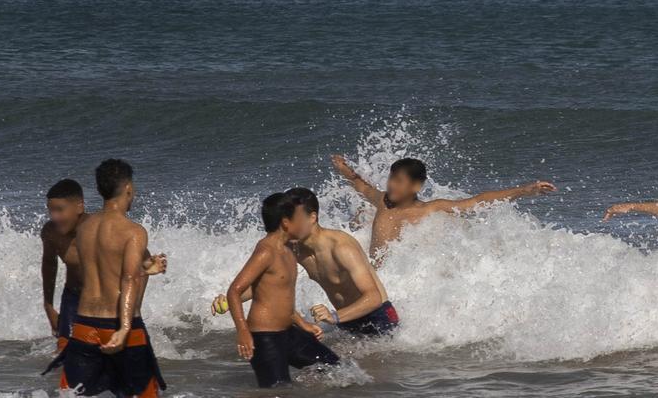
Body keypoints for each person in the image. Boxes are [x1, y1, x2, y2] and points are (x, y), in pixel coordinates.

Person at [43, 159, 167, 397]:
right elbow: (128, 279)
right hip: (117, 324)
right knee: (144, 394)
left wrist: (145, 270)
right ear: (128, 188)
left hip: (84, 325)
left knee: (73, 393)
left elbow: (104, 267)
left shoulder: (85, 228)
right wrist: (125, 327)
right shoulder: (133, 231)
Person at [213, 188, 399, 337]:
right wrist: (232, 299)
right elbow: (264, 285)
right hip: (345, 321)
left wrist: (334, 316)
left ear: (312, 218)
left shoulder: (341, 247)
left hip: (379, 316)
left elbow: (373, 298)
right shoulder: (293, 248)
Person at [331, 155, 557, 260]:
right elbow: (360, 184)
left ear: (416, 185)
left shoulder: (429, 210)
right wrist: (344, 169)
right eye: (391, 178)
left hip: (394, 282)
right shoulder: (383, 201)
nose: (391, 185)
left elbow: (476, 202)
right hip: (371, 273)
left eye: (399, 181)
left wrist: (525, 190)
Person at [224, 191, 338, 388]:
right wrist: (242, 332)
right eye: (300, 218)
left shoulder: (288, 250)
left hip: (289, 333)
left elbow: (281, 299)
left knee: (336, 368)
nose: (304, 223)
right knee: (278, 392)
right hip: (264, 338)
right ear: (286, 222)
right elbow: (234, 290)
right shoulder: (266, 251)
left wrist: (304, 325)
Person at [41, 179, 88, 352]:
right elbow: (49, 264)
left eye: (60, 210)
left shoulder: (98, 228)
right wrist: (48, 306)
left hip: (103, 298)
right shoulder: (51, 232)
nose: (54, 217)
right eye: (50, 211)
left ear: (79, 207)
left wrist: (146, 263)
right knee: (63, 350)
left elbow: (133, 251)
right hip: (73, 296)